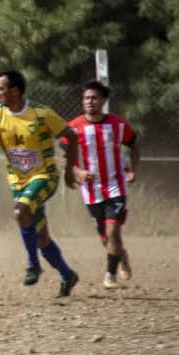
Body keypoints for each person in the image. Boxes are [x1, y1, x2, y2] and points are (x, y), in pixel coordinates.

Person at [0, 69, 81, 299]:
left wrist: (70, 170)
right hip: (18, 181)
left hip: (45, 176)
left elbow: (70, 136)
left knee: (20, 212)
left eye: (0, 89)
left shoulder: (41, 114)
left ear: (15, 91)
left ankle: (33, 265)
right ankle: (67, 275)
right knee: (41, 237)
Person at [65, 81, 139, 290]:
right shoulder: (73, 128)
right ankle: (121, 255)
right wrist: (78, 172)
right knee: (106, 239)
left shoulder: (118, 125)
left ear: (103, 101)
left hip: (116, 184)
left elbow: (134, 147)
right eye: (86, 98)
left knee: (113, 229)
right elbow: (65, 158)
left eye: (94, 98)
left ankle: (110, 276)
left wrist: (132, 169)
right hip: (91, 190)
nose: (90, 102)